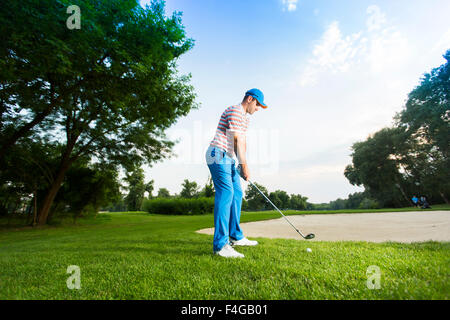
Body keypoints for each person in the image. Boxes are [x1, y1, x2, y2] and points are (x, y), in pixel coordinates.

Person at [205, 88, 268, 258]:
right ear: (250, 99)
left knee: (237, 193)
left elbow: (243, 141)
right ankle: (220, 246)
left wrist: (240, 166)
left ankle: (235, 236)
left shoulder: (245, 120)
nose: (258, 109)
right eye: (258, 105)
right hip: (217, 154)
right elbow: (236, 139)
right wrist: (244, 165)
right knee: (226, 193)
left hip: (229, 158)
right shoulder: (234, 111)